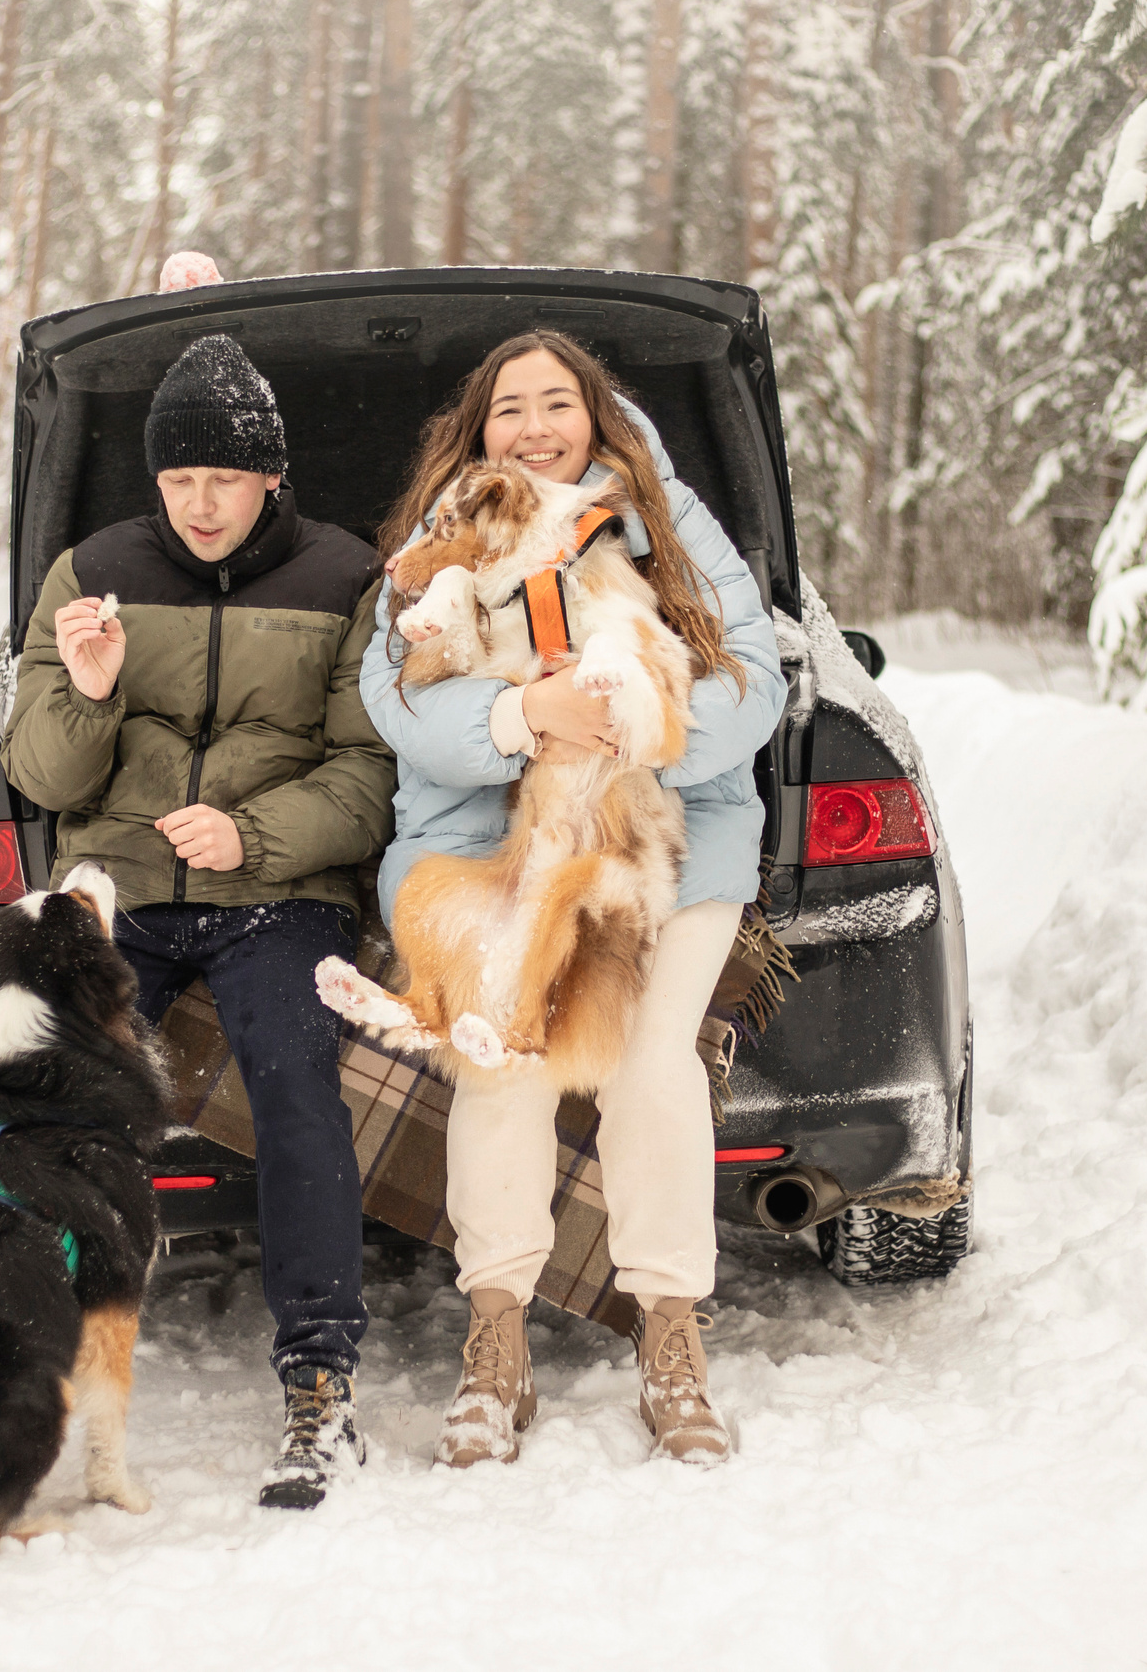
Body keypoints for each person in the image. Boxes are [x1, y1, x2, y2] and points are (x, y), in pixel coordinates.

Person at [360, 331, 785, 1467]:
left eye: (558, 405)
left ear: (596, 420)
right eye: (510, 409)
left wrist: (640, 734)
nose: (534, 428)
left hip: (667, 844)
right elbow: (390, 695)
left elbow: (756, 670)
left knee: (655, 1064)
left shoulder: (664, 521)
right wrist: (520, 724)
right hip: (483, 846)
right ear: (478, 428)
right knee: (502, 1054)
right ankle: (494, 1341)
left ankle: (671, 1335)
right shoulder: (447, 530)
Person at [2, 334, 394, 1509]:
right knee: (50, 1089)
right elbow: (44, 778)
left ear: (272, 476)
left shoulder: (345, 577)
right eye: (178, 482)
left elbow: (370, 772)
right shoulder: (90, 572)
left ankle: (320, 1379)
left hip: (277, 894)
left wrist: (253, 837)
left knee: (292, 1077)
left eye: (224, 480)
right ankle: (11, 1360)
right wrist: (86, 690)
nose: (201, 506)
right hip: (123, 884)